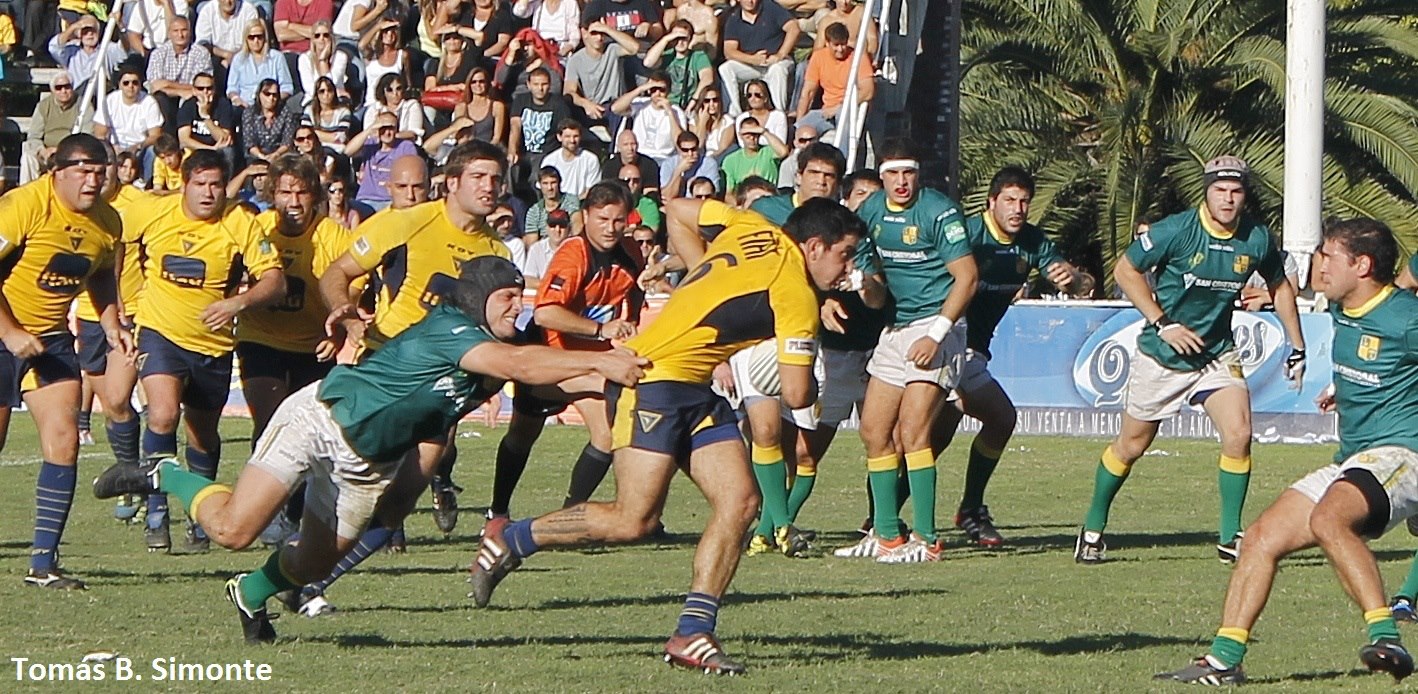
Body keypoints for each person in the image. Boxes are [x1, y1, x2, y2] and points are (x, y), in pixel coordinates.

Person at [93, 257, 648, 643]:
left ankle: (250, 594)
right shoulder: (452, 329)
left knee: (314, 562)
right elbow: (521, 367)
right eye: (507, 298)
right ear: (479, 300)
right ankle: (166, 473)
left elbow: (543, 380)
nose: (516, 309)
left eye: (519, 299)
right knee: (235, 531)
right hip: (320, 419)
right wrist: (598, 358)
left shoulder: (499, 345)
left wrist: (628, 376)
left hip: (368, 465)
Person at [469, 197, 863, 674]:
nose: (847, 270)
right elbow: (799, 395)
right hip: (650, 381)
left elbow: (677, 209)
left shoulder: (749, 223)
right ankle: (512, 539)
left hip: (694, 387)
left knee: (740, 503)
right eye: (845, 255)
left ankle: (693, 633)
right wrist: (814, 350)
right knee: (632, 520)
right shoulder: (796, 294)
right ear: (815, 246)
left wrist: (705, 281)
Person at [1156, 217, 1418, 686]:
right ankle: (1223, 661)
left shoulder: (1405, 318)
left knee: (1328, 520)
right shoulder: (1344, 305)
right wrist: (1345, 385)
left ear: (1361, 265)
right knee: (1259, 538)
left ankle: (1387, 635)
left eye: (1326, 255)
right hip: (1356, 457)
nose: (1316, 262)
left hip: (1404, 454)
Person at [300, 141, 511, 609]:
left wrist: (492, 383)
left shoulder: (496, 251)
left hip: (442, 387)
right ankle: (296, 561)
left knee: (399, 501)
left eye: (496, 178)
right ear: (451, 183)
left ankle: (315, 583)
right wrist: (347, 314)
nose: (489, 187)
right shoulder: (408, 221)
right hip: (385, 369)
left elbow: (493, 327)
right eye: (478, 177)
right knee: (347, 483)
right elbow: (337, 273)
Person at [1075, 155, 1307, 565]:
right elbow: (1125, 269)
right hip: (1163, 355)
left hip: (1217, 353)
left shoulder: (1256, 237)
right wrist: (1163, 323)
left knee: (1239, 433)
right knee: (1131, 446)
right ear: (1207, 190)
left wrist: (1297, 345)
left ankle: (1230, 537)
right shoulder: (1177, 230)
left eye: (1236, 191)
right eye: (1220, 190)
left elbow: (1280, 286)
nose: (1228, 199)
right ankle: (1092, 528)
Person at [121, 149, 287, 553]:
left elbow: (275, 281)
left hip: (212, 345)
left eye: (216, 184)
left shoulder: (239, 222)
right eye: (200, 184)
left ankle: (201, 516)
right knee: (161, 415)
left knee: (202, 436)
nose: (209, 193)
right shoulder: (155, 213)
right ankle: (156, 515)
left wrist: (237, 303)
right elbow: (114, 243)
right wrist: (118, 308)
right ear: (185, 183)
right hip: (159, 331)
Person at [927, 167, 1081, 547]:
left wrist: (1073, 279)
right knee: (934, 435)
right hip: (943, 344)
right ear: (991, 202)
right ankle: (892, 519)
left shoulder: (1032, 242)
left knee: (966, 427)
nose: (1018, 209)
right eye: (1009, 200)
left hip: (973, 352)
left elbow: (1079, 283)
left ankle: (966, 509)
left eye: (1024, 201)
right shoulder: (966, 234)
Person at [0, 134, 128, 589]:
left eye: (101, 171)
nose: (94, 180)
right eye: (84, 171)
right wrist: (10, 331)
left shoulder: (109, 221)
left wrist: (113, 324)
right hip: (3, 332)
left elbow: (100, 278)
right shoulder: (24, 205)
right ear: (58, 171)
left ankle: (43, 564)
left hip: (50, 339)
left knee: (65, 440)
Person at [483, 181, 644, 534]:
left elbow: (632, 297)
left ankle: (569, 519)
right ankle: (496, 512)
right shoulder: (575, 254)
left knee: (606, 433)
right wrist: (601, 331)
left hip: (588, 363)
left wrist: (627, 325)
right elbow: (544, 314)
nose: (610, 228)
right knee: (522, 436)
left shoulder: (630, 253)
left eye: (618, 220)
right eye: (602, 219)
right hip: (548, 359)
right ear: (585, 217)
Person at [851, 144, 977, 563]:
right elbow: (874, 289)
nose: (902, 182)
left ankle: (927, 539)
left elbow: (967, 278)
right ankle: (886, 534)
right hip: (897, 328)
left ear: (918, 174)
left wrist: (938, 334)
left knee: (913, 432)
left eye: (909, 173)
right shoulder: (869, 213)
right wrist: (864, 287)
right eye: (894, 174)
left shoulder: (939, 211)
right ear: (881, 177)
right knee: (873, 430)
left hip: (937, 325)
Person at [719, 0, 799, 116]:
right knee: (725, 68)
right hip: (752, 64)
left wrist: (780, 55)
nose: (750, 1)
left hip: (777, 60)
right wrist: (753, 59)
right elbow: (729, 51)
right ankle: (736, 114)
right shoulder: (734, 18)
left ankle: (779, 113)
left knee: (777, 69)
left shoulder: (770, 7)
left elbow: (793, 28)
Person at [563, 20, 638, 135]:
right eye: (594, 33)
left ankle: (614, 150)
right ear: (584, 33)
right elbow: (569, 92)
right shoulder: (575, 60)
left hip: (616, 105)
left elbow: (634, 48)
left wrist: (608, 29)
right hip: (593, 107)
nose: (599, 38)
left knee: (616, 111)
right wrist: (586, 104)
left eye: (602, 33)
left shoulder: (612, 49)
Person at [94, 66, 165, 179]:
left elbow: (155, 135)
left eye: (135, 83)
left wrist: (138, 146)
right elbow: (100, 133)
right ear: (119, 84)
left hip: (140, 147)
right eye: (126, 83)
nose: (130, 86)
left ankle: (146, 184)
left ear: (140, 84)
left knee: (152, 151)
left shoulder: (149, 102)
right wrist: (112, 148)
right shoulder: (109, 100)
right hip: (115, 147)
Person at [146, 17, 215, 134]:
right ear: (169, 33)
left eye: (184, 30)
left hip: (192, 97)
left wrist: (167, 83)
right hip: (168, 98)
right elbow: (155, 86)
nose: (180, 35)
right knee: (159, 98)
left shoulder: (201, 53)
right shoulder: (158, 54)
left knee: (194, 98)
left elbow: (203, 85)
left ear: (190, 32)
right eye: (176, 31)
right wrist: (181, 91)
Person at [21, 72, 88, 185]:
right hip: (46, 152)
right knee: (28, 154)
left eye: (67, 86)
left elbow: (87, 136)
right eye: (59, 88)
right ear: (53, 90)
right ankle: (27, 191)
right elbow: (33, 135)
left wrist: (61, 149)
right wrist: (42, 150)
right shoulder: (44, 106)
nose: (63, 91)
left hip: (71, 152)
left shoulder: (84, 106)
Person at [345, 112, 420, 211]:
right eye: (383, 128)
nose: (387, 133)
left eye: (391, 128)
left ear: (396, 129)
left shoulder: (405, 147)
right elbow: (347, 151)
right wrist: (370, 129)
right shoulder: (370, 144)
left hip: (391, 200)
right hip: (366, 199)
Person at [611, 70, 687, 165]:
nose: (657, 93)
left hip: (664, 158)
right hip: (640, 156)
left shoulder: (676, 111)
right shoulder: (641, 104)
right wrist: (640, 89)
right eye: (653, 89)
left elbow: (680, 142)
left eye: (662, 90)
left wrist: (670, 113)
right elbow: (615, 108)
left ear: (668, 91)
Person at [643, 19, 713, 110]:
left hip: (687, 104)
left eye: (684, 38)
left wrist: (694, 100)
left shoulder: (698, 56)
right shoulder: (667, 55)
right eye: (676, 39)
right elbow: (647, 63)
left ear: (690, 39)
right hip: (665, 104)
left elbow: (707, 78)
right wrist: (666, 39)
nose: (680, 42)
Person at [47, 15, 127, 92]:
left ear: (98, 33)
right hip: (77, 98)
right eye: (85, 31)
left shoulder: (107, 48)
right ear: (79, 34)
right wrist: (73, 27)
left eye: (93, 30)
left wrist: (121, 26)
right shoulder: (71, 50)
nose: (90, 34)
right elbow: (54, 47)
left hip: (99, 96)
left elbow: (125, 49)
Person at [229, 19, 296, 109]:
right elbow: (232, 88)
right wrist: (237, 100)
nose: (256, 41)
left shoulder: (277, 57)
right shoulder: (238, 59)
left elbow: (287, 87)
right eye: (251, 37)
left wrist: (272, 99)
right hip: (244, 106)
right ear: (246, 39)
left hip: (271, 105)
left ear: (265, 37)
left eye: (259, 37)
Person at [176, 72, 239, 165]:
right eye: (200, 89)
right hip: (196, 149)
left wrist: (205, 117)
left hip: (218, 150)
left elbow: (225, 139)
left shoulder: (223, 105)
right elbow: (184, 140)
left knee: (227, 151)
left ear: (214, 90)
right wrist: (210, 149)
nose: (205, 92)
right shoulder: (188, 106)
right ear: (194, 90)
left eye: (209, 88)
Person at [721, 117, 788, 202]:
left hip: (769, 201)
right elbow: (729, 194)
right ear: (740, 135)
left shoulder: (768, 152)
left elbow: (783, 152)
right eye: (747, 134)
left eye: (754, 133)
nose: (752, 138)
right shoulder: (730, 160)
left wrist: (764, 132)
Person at [541, 118, 601, 197]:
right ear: (559, 137)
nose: (572, 140)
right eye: (567, 136)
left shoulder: (590, 160)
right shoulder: (550, 160)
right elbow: (545, 189)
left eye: (575, 136)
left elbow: (591, 190)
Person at [244, 78, 301, 162]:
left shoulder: (286, 112)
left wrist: (276, 154)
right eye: (267, 94)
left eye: (274, 95)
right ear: (259, 94)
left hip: (281, 155)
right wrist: (261, 156)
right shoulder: (249, 112)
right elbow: (249, 142)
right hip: (256, 156)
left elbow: (287, 141)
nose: (271, 98)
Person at [196, 0, 262, 68]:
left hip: (244, 56)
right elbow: (202, 43)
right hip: (215, 57)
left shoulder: (249, 10)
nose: (228, 1)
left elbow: (253, 40)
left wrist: (235, 58)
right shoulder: (207, 11)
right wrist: (226, 55)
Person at [524, 166, 581, 241]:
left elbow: (577, 225)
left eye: (553, 183)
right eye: (545, 183)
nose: (550, 188)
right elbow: (532, 243)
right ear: (539, 185)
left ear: (559, 183)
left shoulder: (571, 200)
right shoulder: (533, 212)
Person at [298, 20, 350, 102]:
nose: (321, 38)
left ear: (331, 38)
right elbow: (309, 88)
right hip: (312, 101)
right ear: (313, 39)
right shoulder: (304, 58)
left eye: (326, 35)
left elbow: (332, 83)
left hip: (336, 101)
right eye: (317, 36)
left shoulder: (340, 57)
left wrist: (323, 61)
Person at [363, 74, 425, 142]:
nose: (395, 93)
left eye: (398, 88)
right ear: (383, 91)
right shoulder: (375, 108)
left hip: (405, 145)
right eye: (389, 90)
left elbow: (414, 133)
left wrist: (389, 137)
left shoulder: (412, 105)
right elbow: (368, 133)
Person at [660, 131, 719, 201]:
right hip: (677, 206)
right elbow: (667, 196)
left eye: (693, 149)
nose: (690, 154)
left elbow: (712, 194)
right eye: (685, 150)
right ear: (679, 150)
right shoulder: (668, 164)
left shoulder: (709, 164)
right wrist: (678, 171)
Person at [511, 0, 581, 56]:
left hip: (560, 50)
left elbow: (574, 35)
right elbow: (519, 12)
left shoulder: (570, 3)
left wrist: (570, 46)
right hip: (539, 49)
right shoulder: (537, 3)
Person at [523, 208, 572, 281]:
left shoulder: (577, 249)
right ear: (546, 228)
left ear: (569, 228)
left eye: (562, 225)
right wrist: (551, 286)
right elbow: (528, 279)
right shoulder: (536, 249)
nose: (557, 230)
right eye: (553, 225)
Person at [304, 76, 355, 146]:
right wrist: (330, 137)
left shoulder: (343, 112)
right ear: (317, 94)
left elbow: (341, 138)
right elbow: (305, 134)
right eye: (322, 91)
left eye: (330, 90)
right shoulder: (309, 111)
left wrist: (314, 133)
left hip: (336, 151)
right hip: (315, 149)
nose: (326, 94)